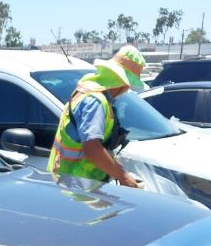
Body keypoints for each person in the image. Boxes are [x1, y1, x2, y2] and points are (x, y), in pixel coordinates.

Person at [48, 45, 149, 189]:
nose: (126, 90)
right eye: (128, 85)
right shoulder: (95, 102)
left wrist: (115, 167)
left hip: (71, 181)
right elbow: (93, 149)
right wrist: (123, 176)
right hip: (77, 186)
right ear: (122, 83)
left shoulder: (86, 90)